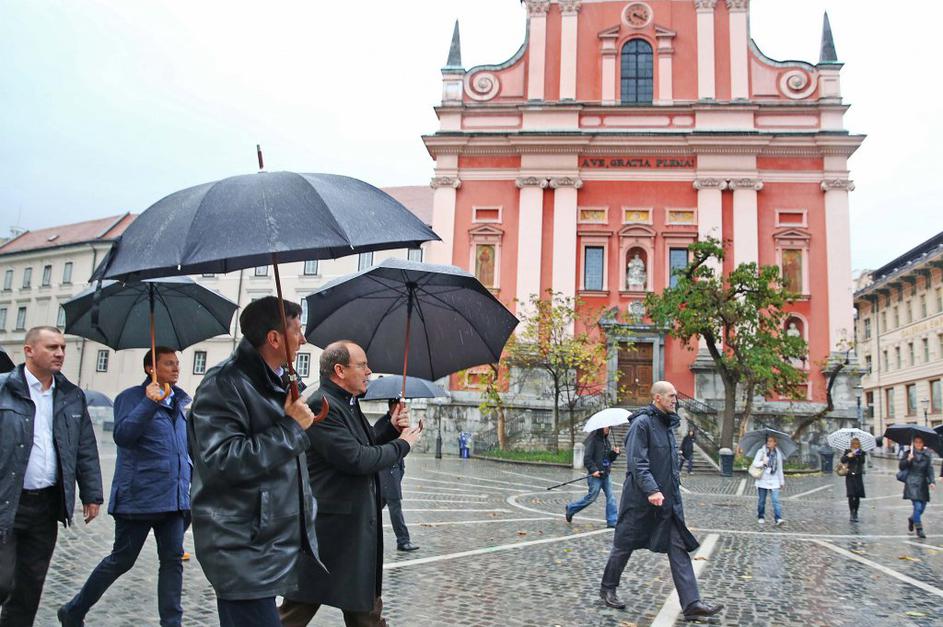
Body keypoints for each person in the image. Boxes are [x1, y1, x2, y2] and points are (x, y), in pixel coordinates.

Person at [188, 297, 322, 627]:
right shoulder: (225, 384)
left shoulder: (278, 382)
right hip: (240, 544)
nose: (303, 339)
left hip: (265, 542)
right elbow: (222, 460)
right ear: (274, 338)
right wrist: (291, 428)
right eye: (297, 330)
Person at [279, 341, 422, 627]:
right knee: (298, 611)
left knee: (365, 610)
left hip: (350, 529)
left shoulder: (347, 402)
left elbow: (361, 442)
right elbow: (355, 459)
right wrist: (402, 444)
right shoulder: (322, 404)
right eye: (362, 365)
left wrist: (389, 426)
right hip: (331, 533)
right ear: (339, 370)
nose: (369, 371)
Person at [59, 348, 191, 626]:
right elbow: (123, 436)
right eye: (169, 364)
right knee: (122, 560)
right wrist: (149, 403)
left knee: (173, 562)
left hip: (174, 500)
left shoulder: (179, 402)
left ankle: (172, 623)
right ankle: (73, 610)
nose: (176, 368)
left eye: (177, 364)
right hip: (139, 498)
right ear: (150, 369)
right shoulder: (130, 398)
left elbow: (182, 450)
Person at [0, 326, 103, 626]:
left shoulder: (71, 396)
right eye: (51, 347)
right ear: (29, 351)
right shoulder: (4, 389)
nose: (59, 353)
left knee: (30, 586)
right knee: (3, 581)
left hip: (45, 504)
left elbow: (85, 445)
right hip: (7, 499)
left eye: (62, 347)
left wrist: (91, 493)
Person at [599, 381, 723, 621]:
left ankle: (692, 604)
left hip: (667, 502)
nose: (675, 399)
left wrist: (674, 458)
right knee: (624, 545)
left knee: (678, 549)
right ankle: (608, 588)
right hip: (641, 501)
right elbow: (637, 463)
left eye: (676, 395)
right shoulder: (641, 423)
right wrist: (652, 490)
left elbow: (661, 458)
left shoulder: (668, 424)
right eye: (671, 396)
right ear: (657, 398)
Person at [378, 400, 419, 552]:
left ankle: (357, 530)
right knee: (395, 504)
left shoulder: (402, 423)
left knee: (378, 504)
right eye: (401, 405)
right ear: (394, 407)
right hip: (387, 470)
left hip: (396, 467)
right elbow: (380, 444)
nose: (404, 409)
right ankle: (403, 540)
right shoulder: (383, 423)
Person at [565, 427, 620, 527]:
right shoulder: (593, 441)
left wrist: (614, 453)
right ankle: (571, 508)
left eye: (609, 427)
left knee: (611, 497)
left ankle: (612, 521)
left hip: (606, 475)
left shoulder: (607, 442)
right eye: (606, 427)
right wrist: (594, 470)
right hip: (595, 476)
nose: (608, 429)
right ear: (601, 428)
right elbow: (587, 458)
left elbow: (608, 459)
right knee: (591, 498)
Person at [899, 435, 936, 539]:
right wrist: (908, 460)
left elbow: (930, 470)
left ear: (923, 443)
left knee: (922, 508)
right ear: (913, 443)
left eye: (920, 442)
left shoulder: (927, 455)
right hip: (911, 482)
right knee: (917, 506)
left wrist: (932, 482)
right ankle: (919, 529)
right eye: (916, 442)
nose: (918, 444)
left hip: (923, 484)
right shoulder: (908, 453)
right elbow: (901, 466)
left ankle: (912, 519)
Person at [752, 435, 785, 526]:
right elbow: (754, 463)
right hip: (762, 479)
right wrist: (763, 462)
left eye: (771, 441)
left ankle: (778, 518)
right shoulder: (761, 452)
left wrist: (781, 481)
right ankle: (761, 516)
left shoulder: (778, 454)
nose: (769, 443)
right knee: (762, 500)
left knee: (775, 500)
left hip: (774, 480)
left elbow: (780, 469)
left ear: (775, 443)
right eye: (768, 441)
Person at [840, 438, 866, 523]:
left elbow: (862, 461)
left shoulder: (861, 452)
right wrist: (849, 455)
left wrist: (857, 455)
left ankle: (856, 513)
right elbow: (842, 460)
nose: (855, 445)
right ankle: (851, 512)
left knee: (857, 495)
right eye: (854, 444)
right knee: (851, 495)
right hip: (849, 475)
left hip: (858, 475)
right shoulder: (847, 451)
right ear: (851, 444)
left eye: (857, 444)